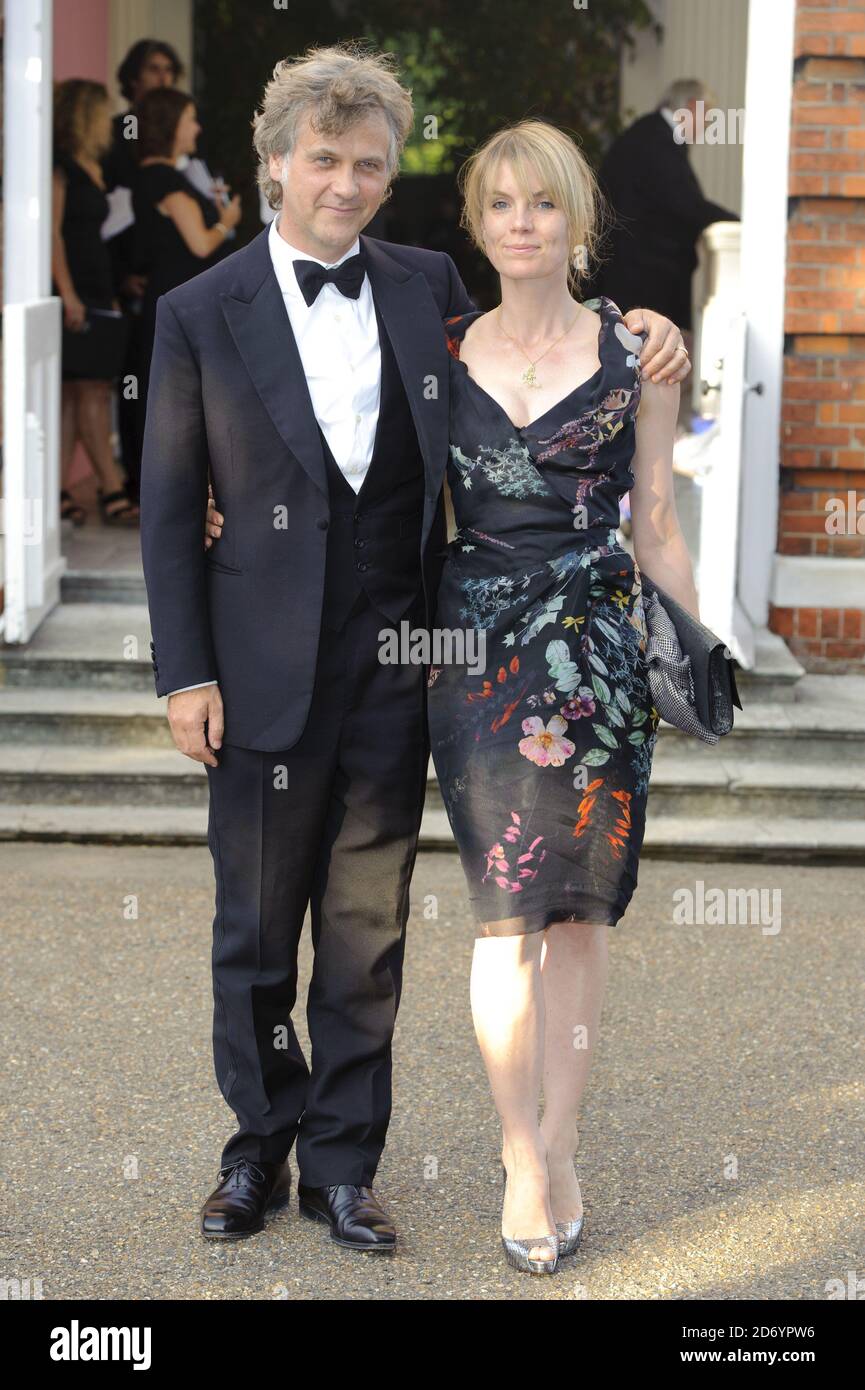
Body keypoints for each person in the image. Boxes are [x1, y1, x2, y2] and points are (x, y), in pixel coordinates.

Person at [142, 44, 689, 1255]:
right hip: (255, 667)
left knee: (366, 929)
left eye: (368, 165)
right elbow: (174, 505)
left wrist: (642, 327)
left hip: (411, 655)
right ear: (275, 162)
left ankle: (345, 1165)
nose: (344, 182)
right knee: (252, 928)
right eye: (323, 159)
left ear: (392, 179)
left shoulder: (424, 284)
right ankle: (254, 1155)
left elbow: (538, 344)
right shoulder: (195, 311)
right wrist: (185, 670)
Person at [132, 87, 240, 471]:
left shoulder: (154, 175)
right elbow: (199, 244)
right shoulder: (164, 178)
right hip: (178, 293)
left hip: (166, 290)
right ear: (172, 125)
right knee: (175, 388)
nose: (196, 128)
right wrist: (226, 221)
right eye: (189, 119)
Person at [52, 79, 139, 526]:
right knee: (90, 391)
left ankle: (57, 490)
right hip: (75, 291)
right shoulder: (59, 166)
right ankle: (109, 487)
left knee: (76, 394)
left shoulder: (94, 164)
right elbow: (52, 234)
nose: (110, 121)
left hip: (98, 288)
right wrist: (66, 292)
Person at [102, 39, 185, 503]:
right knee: (134, 382)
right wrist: (119, 274)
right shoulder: (118, 134)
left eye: (169, 70)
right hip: (128, 277)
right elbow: (102, 215)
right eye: (153, 69)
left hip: (169, 274)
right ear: (133, 76)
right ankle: (134, 482)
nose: (162, 79)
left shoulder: (186, 135)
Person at [592, 78, 739, 336]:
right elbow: (686, 204)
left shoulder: (649, 135)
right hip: (641, 282)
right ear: (693, 108)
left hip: (630, 275)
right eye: (708, 116)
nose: (707, 125)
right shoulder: (657, 141)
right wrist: (739, 222)